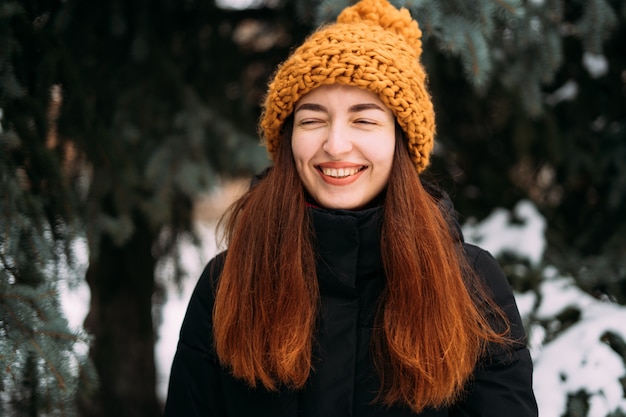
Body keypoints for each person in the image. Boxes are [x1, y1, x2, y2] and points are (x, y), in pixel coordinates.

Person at [163, 0, 538, 415]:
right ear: (287, 139)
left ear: (401, 140)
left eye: (364, 120)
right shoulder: (228, 284)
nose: (336, 145)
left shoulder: (472, 284)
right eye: (311, 120)